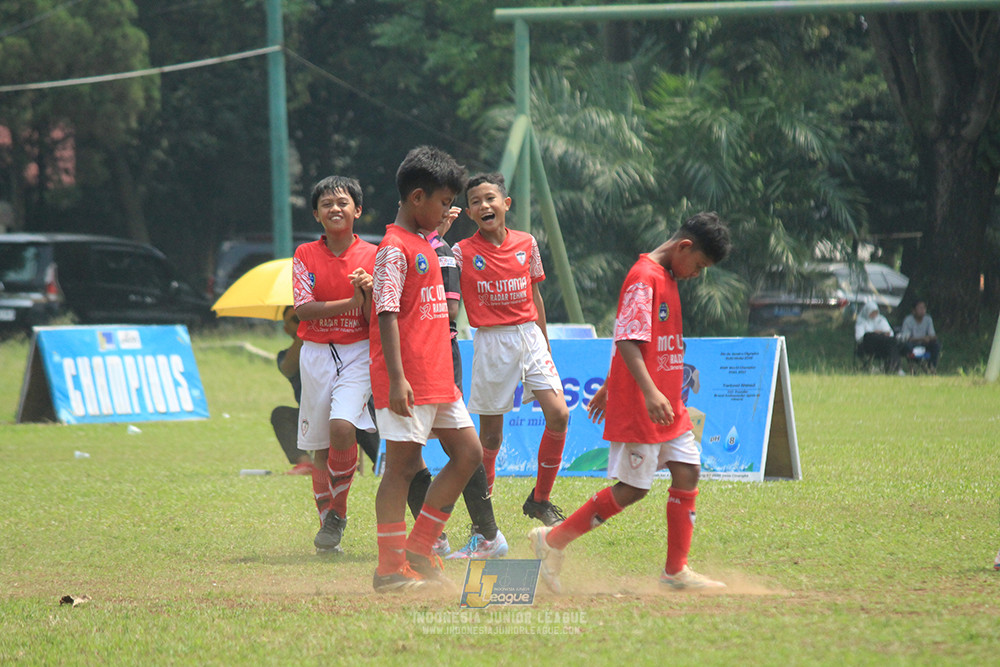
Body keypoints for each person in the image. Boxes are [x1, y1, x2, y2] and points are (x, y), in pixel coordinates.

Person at [528, 212, 732, 594]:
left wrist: (611, 384)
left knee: (687, 472)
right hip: (645, 405)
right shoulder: (644, 278)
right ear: (684, 247)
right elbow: (627, 340)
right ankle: (552, 540)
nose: (698, 274)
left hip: (669, 404)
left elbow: (641, 339)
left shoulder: (667, 277)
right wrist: (649, 392)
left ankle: (676, 571)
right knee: (634, 489)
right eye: (700, 265)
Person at [370, 146, 483, 593]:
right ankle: (388, 570)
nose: (446, 210)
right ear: (417, 198)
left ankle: (420, 546)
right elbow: (386, 314)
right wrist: (397, 379)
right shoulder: (393, 249)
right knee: (399, 469)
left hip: (439, 380)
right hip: (408, 380)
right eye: (441, 202)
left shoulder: (424, 243)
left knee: (468, 454)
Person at [452, 172, 569, 527]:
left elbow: (535, 295)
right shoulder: (461, 252)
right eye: (475, 202)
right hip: (490, 341)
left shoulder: (527, 243)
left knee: (559, 415)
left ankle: (540, 499)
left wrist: (544, 342)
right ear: (470, 213)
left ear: (506, 204)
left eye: (490, 198)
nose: (484, 205)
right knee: (490, 438)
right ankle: (483, 522)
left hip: (529, 336)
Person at [292, 175, 378, 554]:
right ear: (316, 214)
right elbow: (302, 309)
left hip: (358, 352)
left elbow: (382, 314)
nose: (335, 208)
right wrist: (350, 302)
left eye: (342, 202)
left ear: (357, 210)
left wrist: (371, 292)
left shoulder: (375, 256)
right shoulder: (304, 255)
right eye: (326, 204)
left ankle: (337, 514)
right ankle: (328, 538)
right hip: (315, 354)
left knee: (343, 427)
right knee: (320, 450)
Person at [426, 208, 508, 560]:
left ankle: (484, 535)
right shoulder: (402, 246)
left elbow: (447, 315)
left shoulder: (440, 253)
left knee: (461, 447)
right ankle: (434, 539)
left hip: (434, 357)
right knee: (408, 453)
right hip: (405, 361)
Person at [273, 305, 380, 475]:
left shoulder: (339, 347)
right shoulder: (287, 355)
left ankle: (381, 461)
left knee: (362, 411)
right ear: (286, 329)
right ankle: (304, 463)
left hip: (351, 412)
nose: (301, 321)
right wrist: (308, 327)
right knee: (280, 414)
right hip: (314, 416)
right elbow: (287, 367)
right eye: (296, 319)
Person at [854, 300, 901, 374]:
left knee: (892, 341)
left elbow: (889, 332)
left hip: (882, 345)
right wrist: (875, 333)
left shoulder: (881, 319)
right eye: (872, 312)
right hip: (869, 345)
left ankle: (895, 367)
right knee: (871, 336)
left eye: (875, 312)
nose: (874, 314)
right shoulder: (861, 321)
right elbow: (859, 337)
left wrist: (882, 334)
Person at [899, 299, 940, 373]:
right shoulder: (908, 320)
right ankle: (918, 367)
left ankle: (932, 367)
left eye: (924, 308)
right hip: (913, 345)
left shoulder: (928, 319)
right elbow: (906, 338)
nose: (922, 310)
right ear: (913, 311)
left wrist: (929, 338)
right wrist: (921, 339)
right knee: (907, 346)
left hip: (924, 344)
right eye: (920, 308)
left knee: (936, 345)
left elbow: (932, 335)